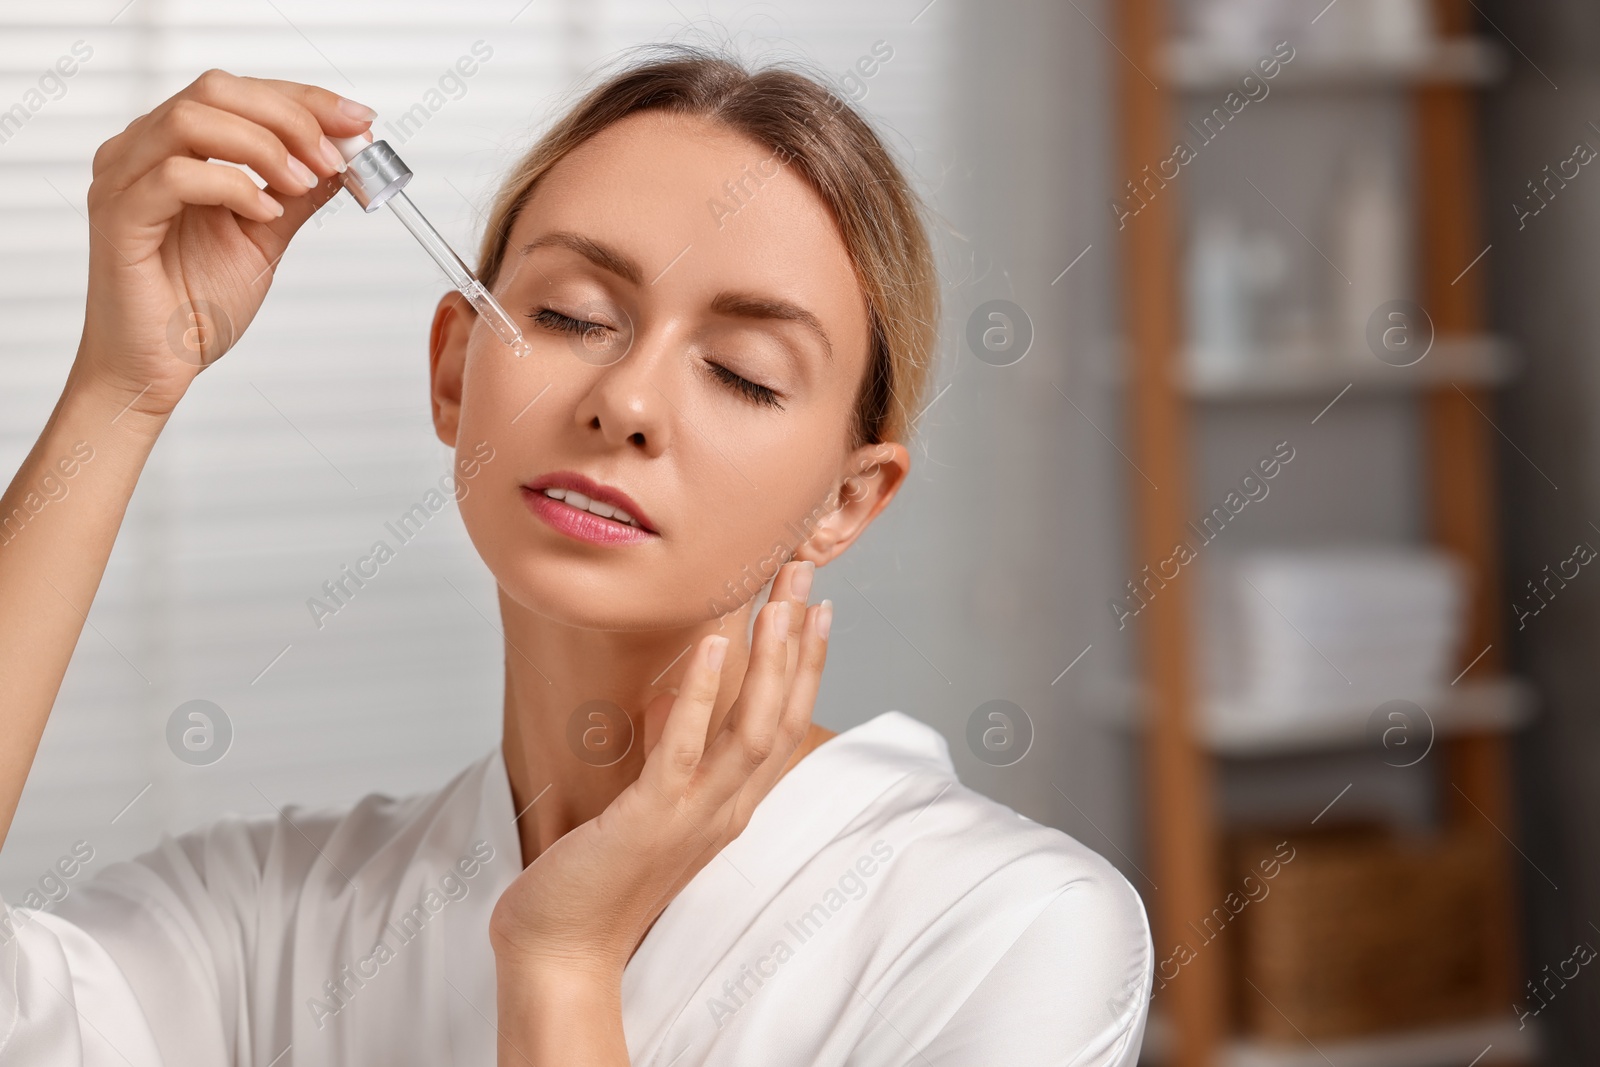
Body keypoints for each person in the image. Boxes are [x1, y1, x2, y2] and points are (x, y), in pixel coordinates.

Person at [0, 47, 1152, 1066]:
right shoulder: (261, 922)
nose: (629, 400)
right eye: (571, 317)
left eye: (744, 370)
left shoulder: (1007, 925)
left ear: (844, 504)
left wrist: (561, 959)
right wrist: (122, 385)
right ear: (456, 372)